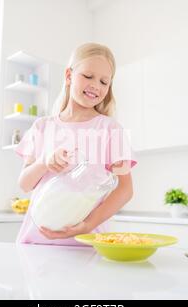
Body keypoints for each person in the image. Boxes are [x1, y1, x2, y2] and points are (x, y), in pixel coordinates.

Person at [14, 42, 137, 245]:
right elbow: (24, 184)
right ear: (69, 76)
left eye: (104, 82)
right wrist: (44, 162)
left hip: (84, 243)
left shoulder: (110, 130)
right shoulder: (42, 127)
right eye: (88, 76)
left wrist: (88, 224)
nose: (96, 86)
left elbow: (125, 190)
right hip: (36, 242)